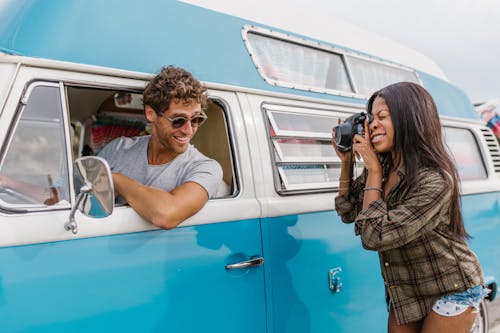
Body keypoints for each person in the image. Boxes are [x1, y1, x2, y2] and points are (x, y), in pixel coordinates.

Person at [332, 82, 488, 333]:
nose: (372, 125)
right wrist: (347, 161)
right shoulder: (384, 167)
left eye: (382, 117)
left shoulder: (434, 180)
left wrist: (373, 170)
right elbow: (349, 211)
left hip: (451, 288)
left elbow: (374, 236)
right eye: (371, 118)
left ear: (410, 121)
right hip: (408, 290)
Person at [98, 66, 223, 229]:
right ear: (151, 114)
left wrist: (115, 179)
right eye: (178, 120)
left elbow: (166, 215)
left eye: (196, 119)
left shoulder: (205, 168)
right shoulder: (118, 148)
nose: (188, 130)